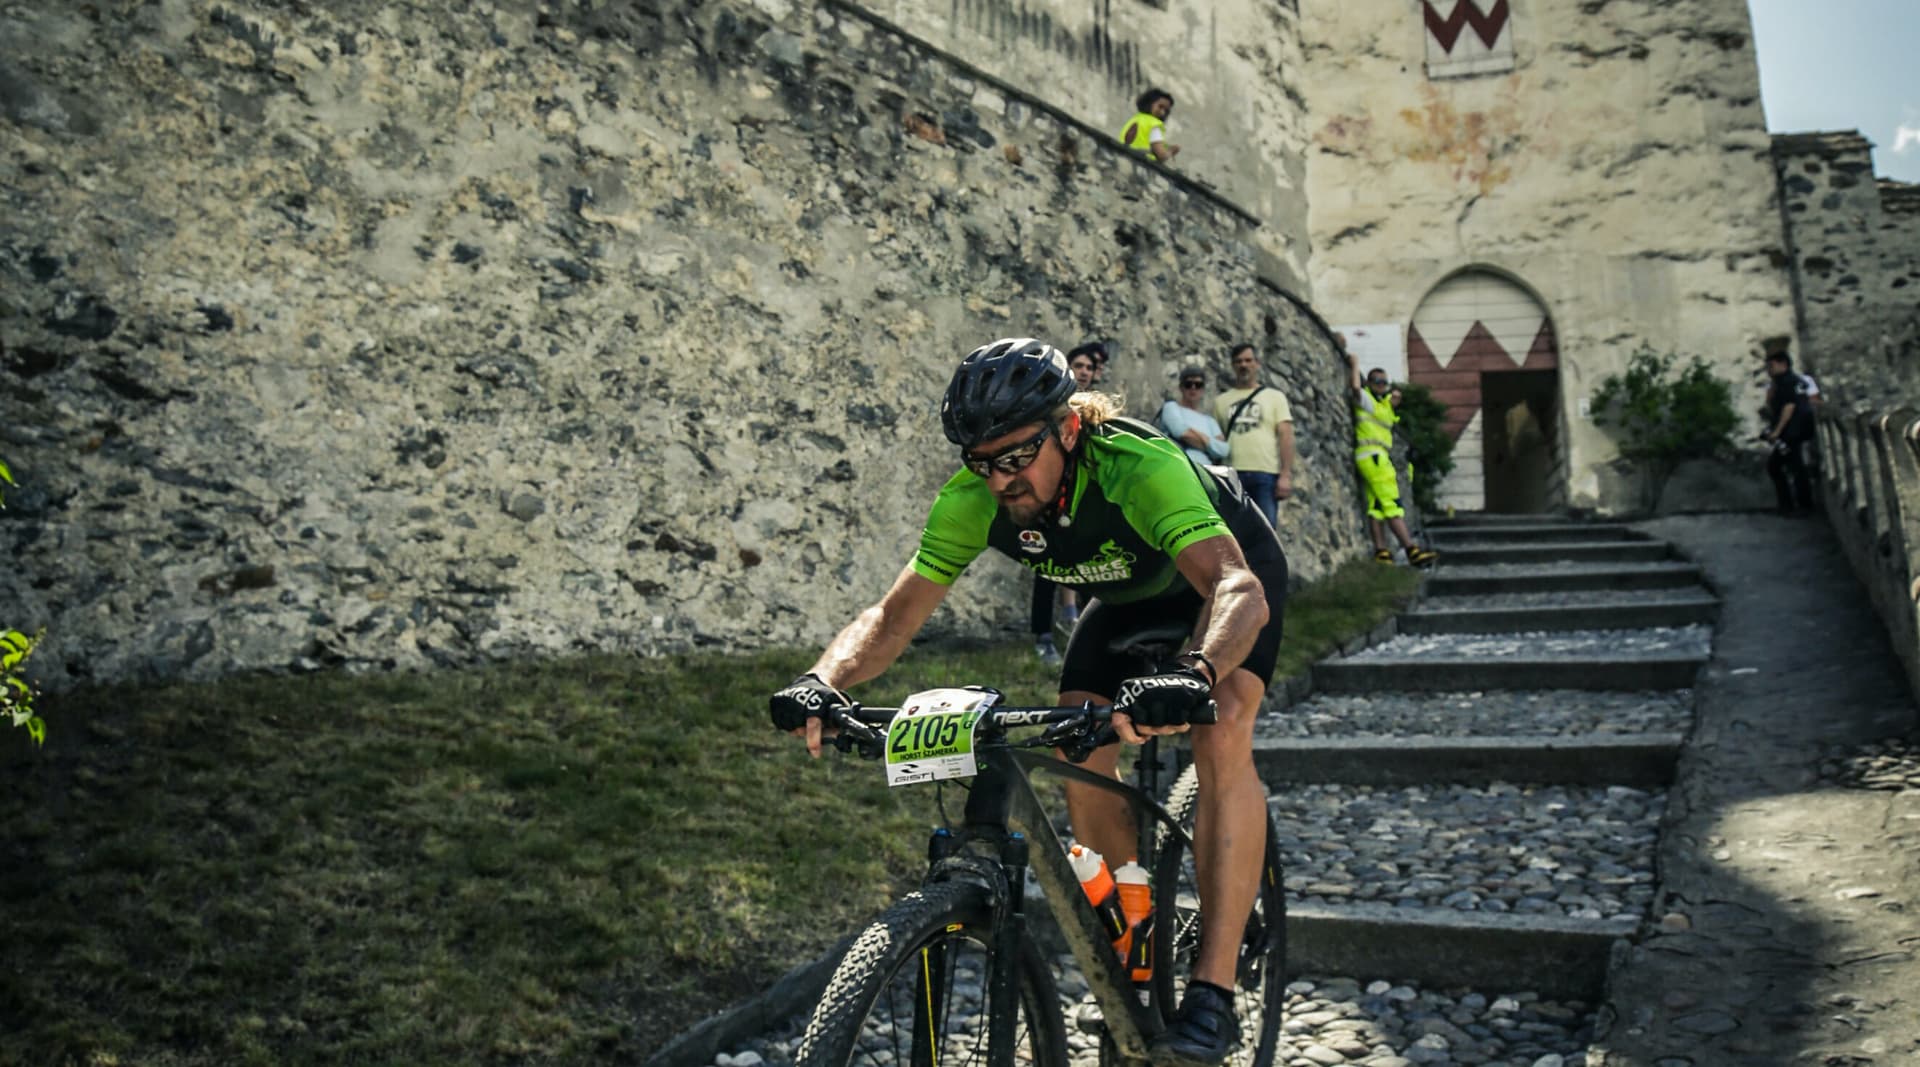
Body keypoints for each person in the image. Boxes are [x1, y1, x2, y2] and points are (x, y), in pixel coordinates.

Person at [769, 338, 1287, 1062]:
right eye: (981, 462)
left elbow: (1236, 588)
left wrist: (1194, 671)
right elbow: (892, 619)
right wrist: (822, 680)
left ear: (1067, 429)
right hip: (1127, 600)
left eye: (1015, 457)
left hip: (1221, 581)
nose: (999, 481)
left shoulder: (1137, 465)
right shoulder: (974, 498)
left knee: (1223, 724)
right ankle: (1136, 941)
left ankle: (1214, 988)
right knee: (1078, 742)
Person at [1031, 351, 1101, 661]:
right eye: (1079, 366)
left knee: (1093, 568)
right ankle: (1043, 639)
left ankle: (1088, 645)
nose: (1085, 372)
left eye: (1090, 367)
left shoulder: (1098, 411)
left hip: (1083, 496)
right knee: (1045, 566)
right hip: (1048, 495)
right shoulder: (1047, 405)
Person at [1350, 352, 1438, 565]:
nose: (1382, 385)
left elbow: (1387, 412)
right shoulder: (1368, 400)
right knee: (1392, 504)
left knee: (1376, 508)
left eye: (1384, 382)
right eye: (1377, 381)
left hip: (1375, 457)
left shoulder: (1384, 406)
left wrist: (1393, 401)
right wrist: (1354, 364)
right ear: (1369, 383)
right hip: (1374, 457)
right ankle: (1411, 550)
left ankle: (1382, 552)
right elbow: (1355, 389)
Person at [1211, 344, 1297, 527]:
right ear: (1233, 366)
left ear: (1257, 364)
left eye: (1248, 360)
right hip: (1231, 475)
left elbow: (1286, 436)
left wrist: (1286, 474)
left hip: (1265, 474)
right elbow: (1217, 440)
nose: (1244, 365)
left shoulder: (1275, 397)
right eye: (1239, 361)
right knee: (1235, 532)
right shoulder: (1221, 402)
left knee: (1265, 532)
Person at [1761, 351, 1815, 517]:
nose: (1769, 370)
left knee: (1780, 467)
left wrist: (1777, 431)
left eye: (1771, 366)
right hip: (1797, 431)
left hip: (1791, 432)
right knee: (1793, 467)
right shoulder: (1793, 381)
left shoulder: (1786, 381)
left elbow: (1789, 407)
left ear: (1782, 364)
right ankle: (1796, 505)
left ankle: (1794, 506)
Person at [1158, 365, 1230, 467]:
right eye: (1188, 384)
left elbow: (1223, 450)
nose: (1193, 388)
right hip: (1180, 467)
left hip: (1206, 472)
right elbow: (1181, 432)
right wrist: (1209, 443)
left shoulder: (1210, 421)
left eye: (1198, 385)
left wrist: (1196, 435)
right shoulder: (1171, 408)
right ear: (1181, 387)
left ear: (1203, 389)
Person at [1119, 89, 1179, 165]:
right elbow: (1161, 155)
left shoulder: (1135, 119)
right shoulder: (1154, 124)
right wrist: (1171, 151)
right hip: (1142, 164)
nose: (1162, 112)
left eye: (1166, 111)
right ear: (1150, 103)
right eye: (1160, 107)